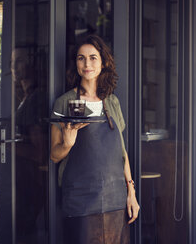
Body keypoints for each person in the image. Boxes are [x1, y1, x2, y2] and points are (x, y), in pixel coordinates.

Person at [50, 34, 140, 244]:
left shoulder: (112, 102)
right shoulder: (64, 102)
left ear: (103, 62)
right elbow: (54, 155)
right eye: (81, 58)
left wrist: (131, 193)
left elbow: (122, 153)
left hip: (115, 199)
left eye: (93, 57)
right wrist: (67, 144)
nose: (87, 63)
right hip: (80, 200)